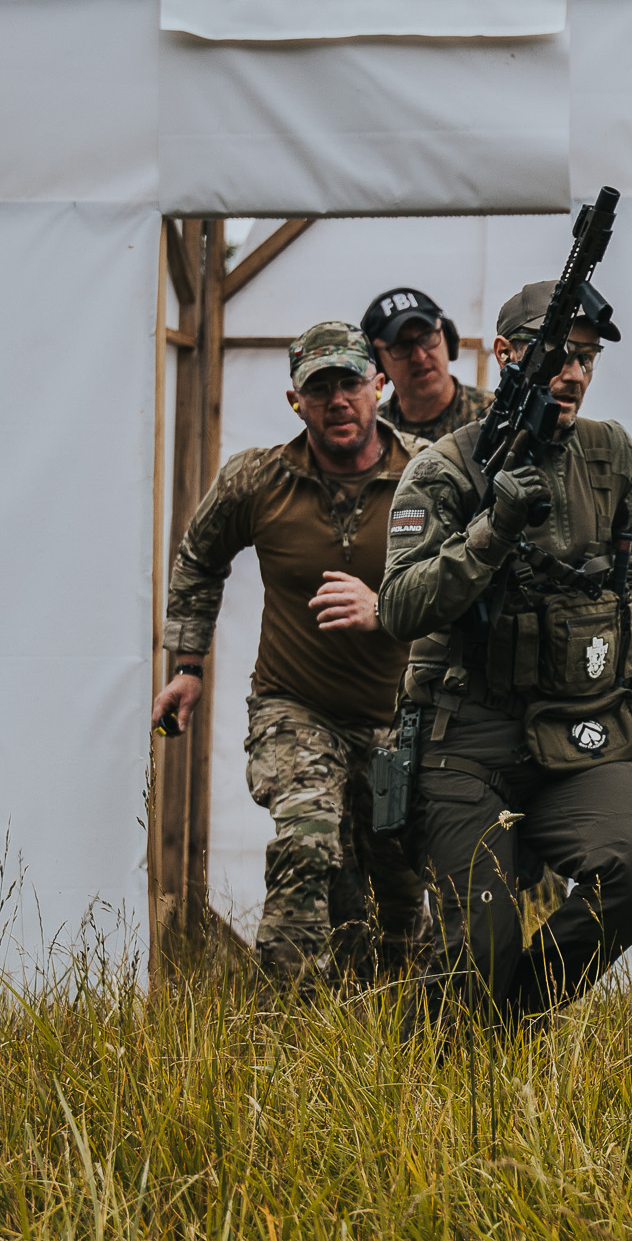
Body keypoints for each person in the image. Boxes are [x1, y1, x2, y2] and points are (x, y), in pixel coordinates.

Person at [380, 280, 632, 1027]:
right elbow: (399, 606)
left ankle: (512, 1023)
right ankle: (436, 1072)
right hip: (463, 737)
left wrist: (630, 636)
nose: (574, 373)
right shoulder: (445, 468)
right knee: (480, 941)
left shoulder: (611, 454)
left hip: (576, 728)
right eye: (558, 355)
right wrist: (492, 529)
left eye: (587, 358)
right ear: (507, 355)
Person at [152, 322, 426, 983]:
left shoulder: (428, 476)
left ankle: (391, 1011)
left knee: (397, 888)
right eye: (319, 388)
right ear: (294, 400)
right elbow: (197, 560)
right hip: (295, 707)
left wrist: (387, 608)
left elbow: (471, 575)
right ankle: (283, 1019)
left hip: (402, 717)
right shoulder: (258, 479)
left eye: (350, 383)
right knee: (307, 842)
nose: (337, 401)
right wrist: (187, 667)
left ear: (379, 386)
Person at [361, 286, 492, 442]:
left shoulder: (497, 417)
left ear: (448, 337)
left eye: (427, 336)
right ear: (377, 362)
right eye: (401, 345)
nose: (419, 357)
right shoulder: (369, 435)